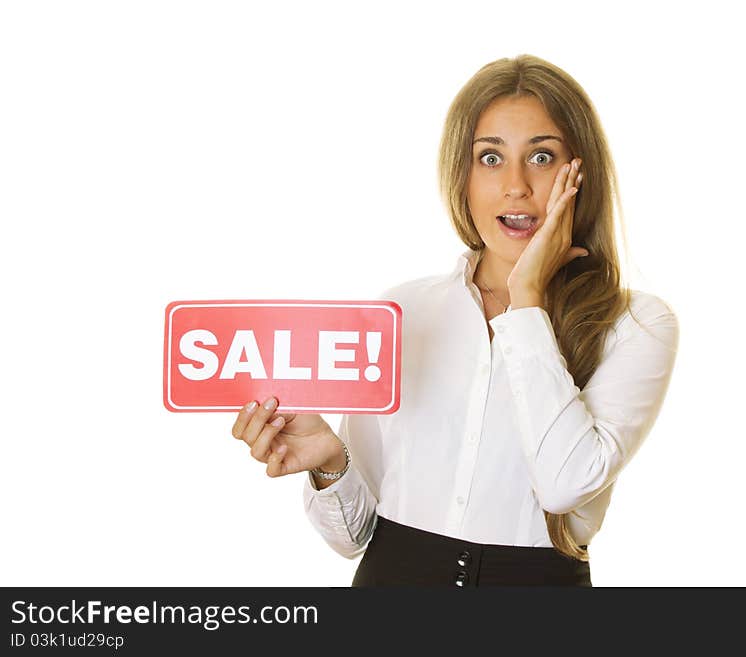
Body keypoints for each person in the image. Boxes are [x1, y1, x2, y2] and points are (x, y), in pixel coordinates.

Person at [230, 54, 680, 587]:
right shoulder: (403, 311)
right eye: (490, 158)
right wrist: (330, 461)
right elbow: (354, 538)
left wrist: (528, 298)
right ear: (461, 176)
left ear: (579, 173)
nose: (515, 185)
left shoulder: (636, 324)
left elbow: (564, 487)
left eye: (540, 156)